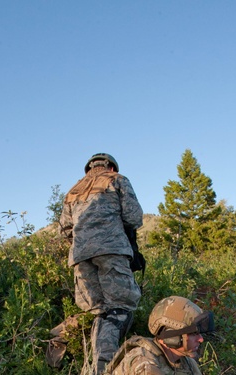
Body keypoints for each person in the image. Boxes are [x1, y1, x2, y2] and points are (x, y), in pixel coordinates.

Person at [59, 153, 144, 375]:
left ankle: (93, 365)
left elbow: (65, 229)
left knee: (100, 312)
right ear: (112, 167)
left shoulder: (73, 190)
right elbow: (134, 217)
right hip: (111, 250)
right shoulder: (117, 180)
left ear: (88, 169)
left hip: (80, 256)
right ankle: (105, 368)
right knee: (118, 310)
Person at [104, 296, 214, 375]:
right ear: (172, 334)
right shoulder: (144, 361)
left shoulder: (187, 363)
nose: (200, 339)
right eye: (194, 334)